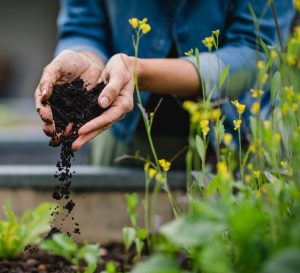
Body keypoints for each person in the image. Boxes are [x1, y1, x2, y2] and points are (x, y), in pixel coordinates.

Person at [35, 0, 295, 167]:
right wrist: (85, 59)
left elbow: (254, 52)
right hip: (121, 138)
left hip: (235, 145)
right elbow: (84, 27)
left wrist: (138, 71)